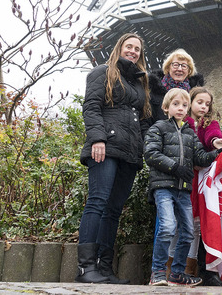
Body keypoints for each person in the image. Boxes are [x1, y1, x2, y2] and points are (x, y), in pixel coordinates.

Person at [77, 33, 152, 284]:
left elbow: (142, 120)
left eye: (137, 49)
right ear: (119, 48)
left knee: (114, 210)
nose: (132, 51)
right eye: (128, 46)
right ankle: (86, 268)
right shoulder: (103, 72)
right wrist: (98, 139)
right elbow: (91, 106)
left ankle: (105, 267)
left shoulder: (140, 83)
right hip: (106, 147)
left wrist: (144, 148)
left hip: (129, 153)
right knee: (98, 202)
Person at [144, 88, 222, 287]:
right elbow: (151, 154)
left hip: (183, 190)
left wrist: (218, 151)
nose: (180, 108)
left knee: (188, 232)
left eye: (184, 105)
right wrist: (176, 168)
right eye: (176, 104)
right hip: (164, 187)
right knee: (168, 227)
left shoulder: (190, 133)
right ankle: (158, 272)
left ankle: (177, 274)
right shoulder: (158, 128)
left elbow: (200, 157)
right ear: (166, 107)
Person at [186, 86, 222, 286]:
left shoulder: (209, 123)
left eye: (207, 104)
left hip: (201, 179)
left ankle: (195, 268)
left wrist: (215, 141)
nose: (203, 107)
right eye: (199, 102)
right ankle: (177, 267)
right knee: (181, 224)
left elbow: (213, 134)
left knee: (197, 225)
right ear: (190, 101)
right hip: (184, 176)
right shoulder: (181, 121)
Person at [149, 48, 204, 122]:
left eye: (184, 66)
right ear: (168, 68)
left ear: (189, 70)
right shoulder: (153, 90)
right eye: (175, 65)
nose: (180, 69)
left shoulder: (195, 94)